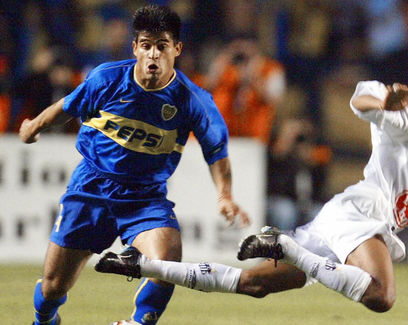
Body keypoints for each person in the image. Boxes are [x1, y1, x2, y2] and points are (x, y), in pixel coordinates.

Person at [95, 81, 408, 324]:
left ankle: (137, 266)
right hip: (360, 216)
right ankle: (285, 247)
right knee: (382, 296)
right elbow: (360, 99)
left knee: (253, 285)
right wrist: (384, 99)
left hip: (340, 232)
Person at [19, 5, 249, 325]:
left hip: (145, 196)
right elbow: (66, 106)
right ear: (135, 48)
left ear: (177, 49)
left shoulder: (192, 100)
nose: (153, 54)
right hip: (91, 187)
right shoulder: (107, 79)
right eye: (146, 45)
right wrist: (34, 127)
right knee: (54, 286)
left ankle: (139, 323)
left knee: (168, 260)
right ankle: (45, 319)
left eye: (162, 45)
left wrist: (224, 195)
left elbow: (217, 152)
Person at [204, 38, 285, 145]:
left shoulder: (271, 68)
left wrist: (253, 78)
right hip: (226, 132)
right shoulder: (227, 66)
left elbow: (275, 99)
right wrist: (226, 57)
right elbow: (207, 86)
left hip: (256, 134)